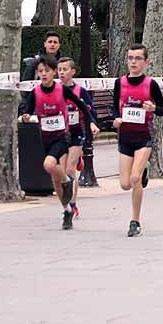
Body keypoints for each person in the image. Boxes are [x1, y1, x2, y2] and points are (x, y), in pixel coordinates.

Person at [18, 55, 92, 230]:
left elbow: (81, 105)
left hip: (63, 138)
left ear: (53, 73)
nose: (43, 74)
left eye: (47, 71)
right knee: (54, 179)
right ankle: (67, 210)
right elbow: (27, 110)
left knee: (49, 165)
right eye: (40, 71)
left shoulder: (62, 90)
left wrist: (91, 123)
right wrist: (26, 115)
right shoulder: (35, 92)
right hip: (46, 139)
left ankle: (67, 179)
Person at [110, 44, 163, 237]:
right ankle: (144, 170)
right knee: (125, 184)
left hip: (144, 138)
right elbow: (114, 108)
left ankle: (135, 221)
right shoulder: (120, 83)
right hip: (125, 138)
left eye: (137, 58)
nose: (133, 62)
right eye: (130, 58)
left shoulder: (151, 84)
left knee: (135, 179)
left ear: (146, 62)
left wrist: (152, 108)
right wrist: (115, 119)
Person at [57, 57, 100, 218]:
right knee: (61, 172)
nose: (61, 72)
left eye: (65, 69)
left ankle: (72, 204)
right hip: (60, 134)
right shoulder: (53, 90)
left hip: (77, 133)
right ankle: (78, 160)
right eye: (59, 69)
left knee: (69, 170)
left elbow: (90, 110)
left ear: (73, 72)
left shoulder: (79, 91)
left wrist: (92, 124)